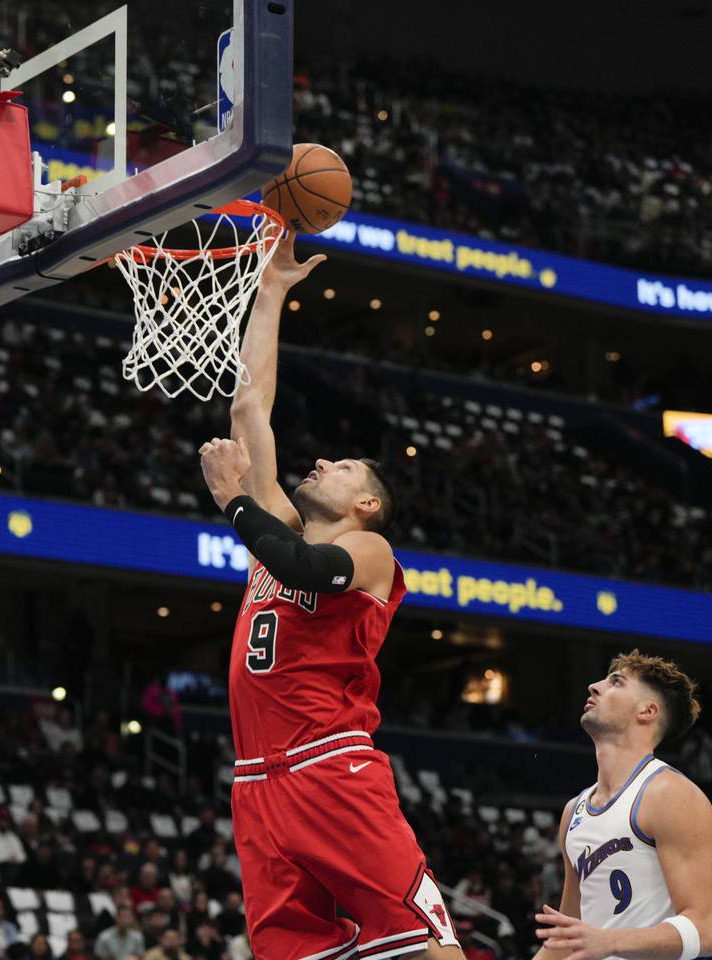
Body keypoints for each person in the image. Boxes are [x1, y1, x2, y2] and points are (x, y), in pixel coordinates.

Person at [197, 236, 457, 960]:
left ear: (368, 502)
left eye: (340, 466)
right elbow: (250, 404)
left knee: (425, 942)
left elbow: (304, 569)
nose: (320, 462)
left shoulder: (370, 554)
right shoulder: (280, 527)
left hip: (329, 765)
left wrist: (235, 505)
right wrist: (272, 291)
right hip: (256, 781)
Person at [532, 651, 712, 960]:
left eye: (616, 682)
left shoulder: (670, 794)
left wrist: (610, 941)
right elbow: (569, 937)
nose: (594, 686)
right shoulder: (573, 812)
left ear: (647, 711)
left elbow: (704, 930)